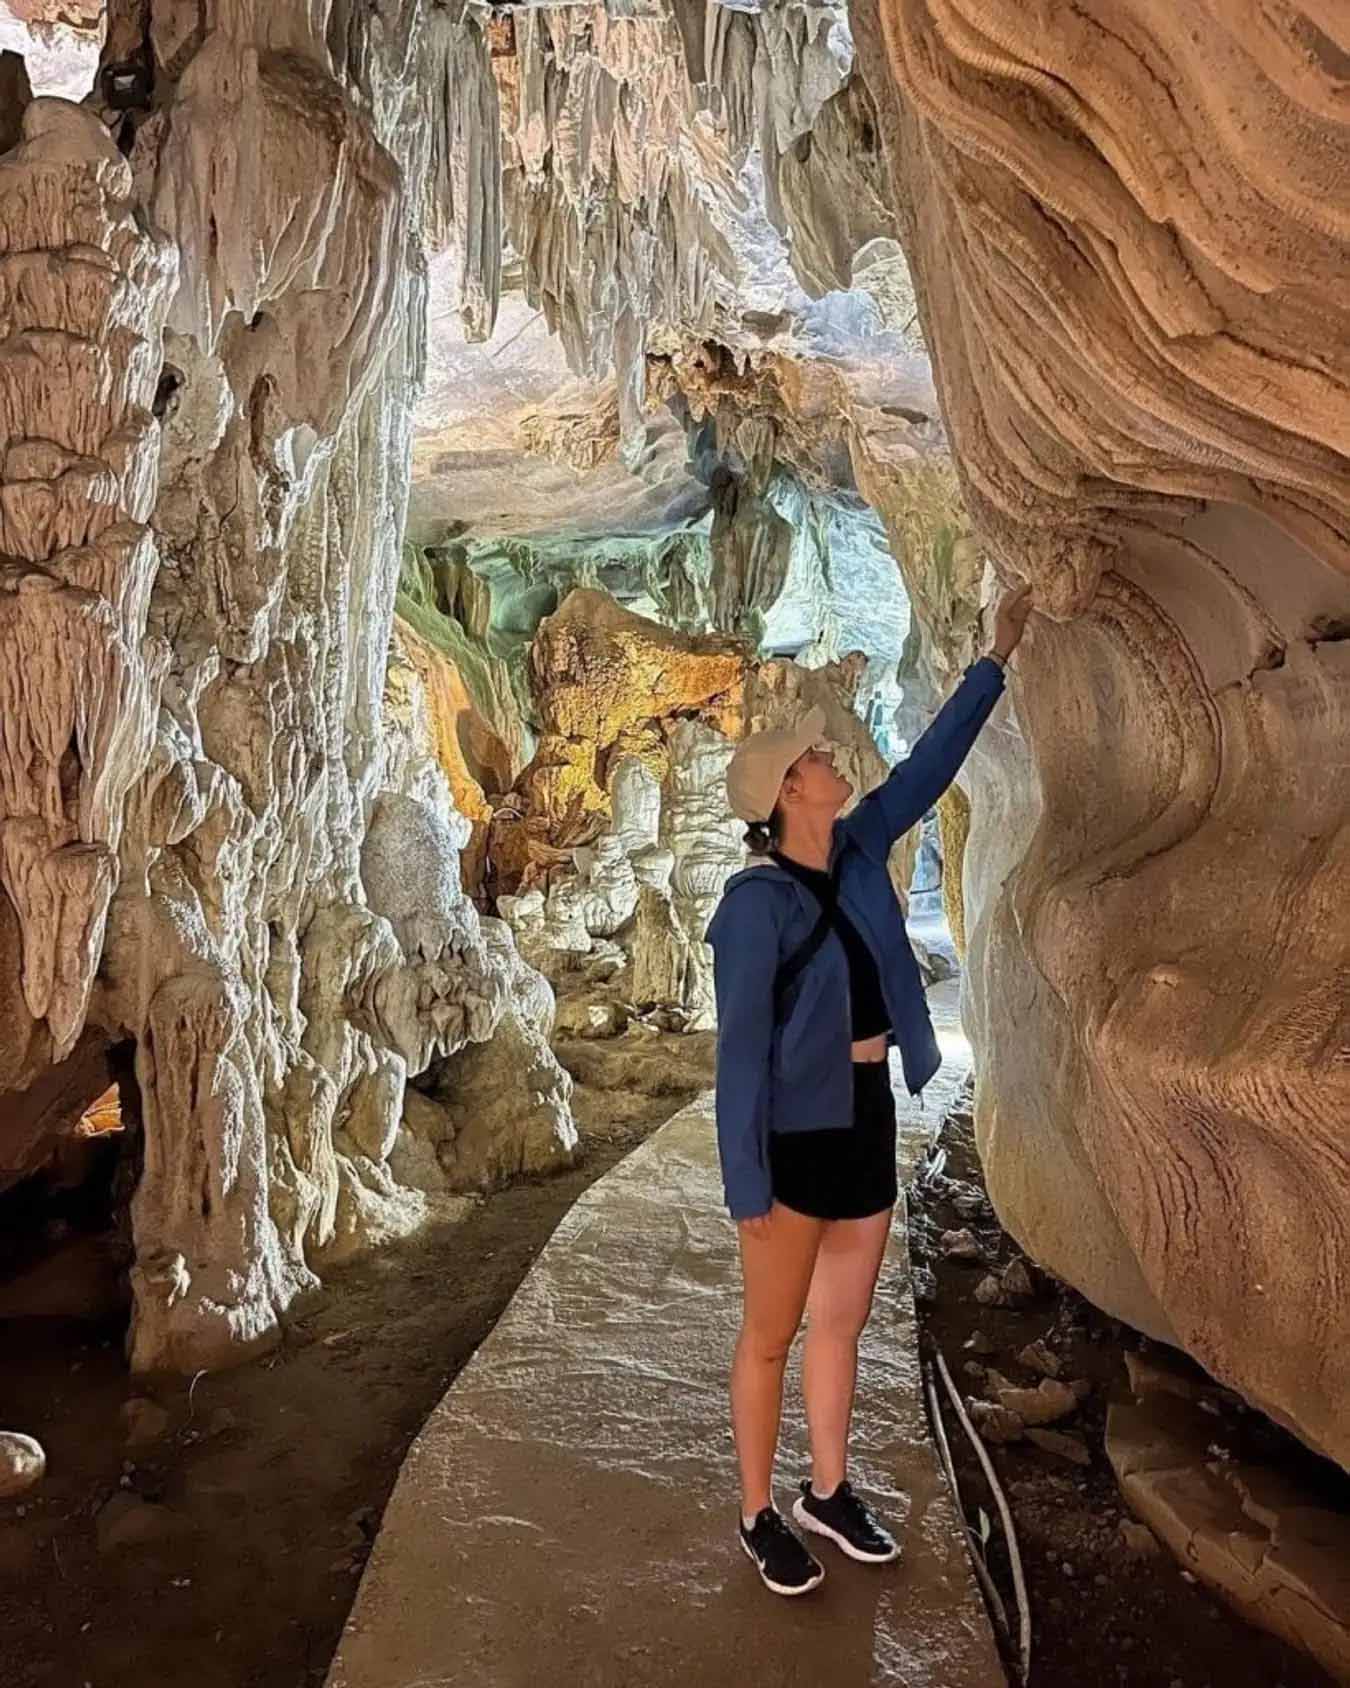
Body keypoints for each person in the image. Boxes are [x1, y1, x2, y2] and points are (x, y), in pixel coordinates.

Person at [706, 584, 1033, 1597]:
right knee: (772, 1333)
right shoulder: (751, 909)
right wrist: (744, 1183)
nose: (831, 762)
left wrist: (994, 659)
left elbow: (931, 770)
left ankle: (828, 1489)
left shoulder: (855, 851)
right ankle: (759, 1511)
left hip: (866, 1113)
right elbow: (739, 1059)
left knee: (841, 1320)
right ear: (783, 796)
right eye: (812, 761)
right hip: (794, 1137)